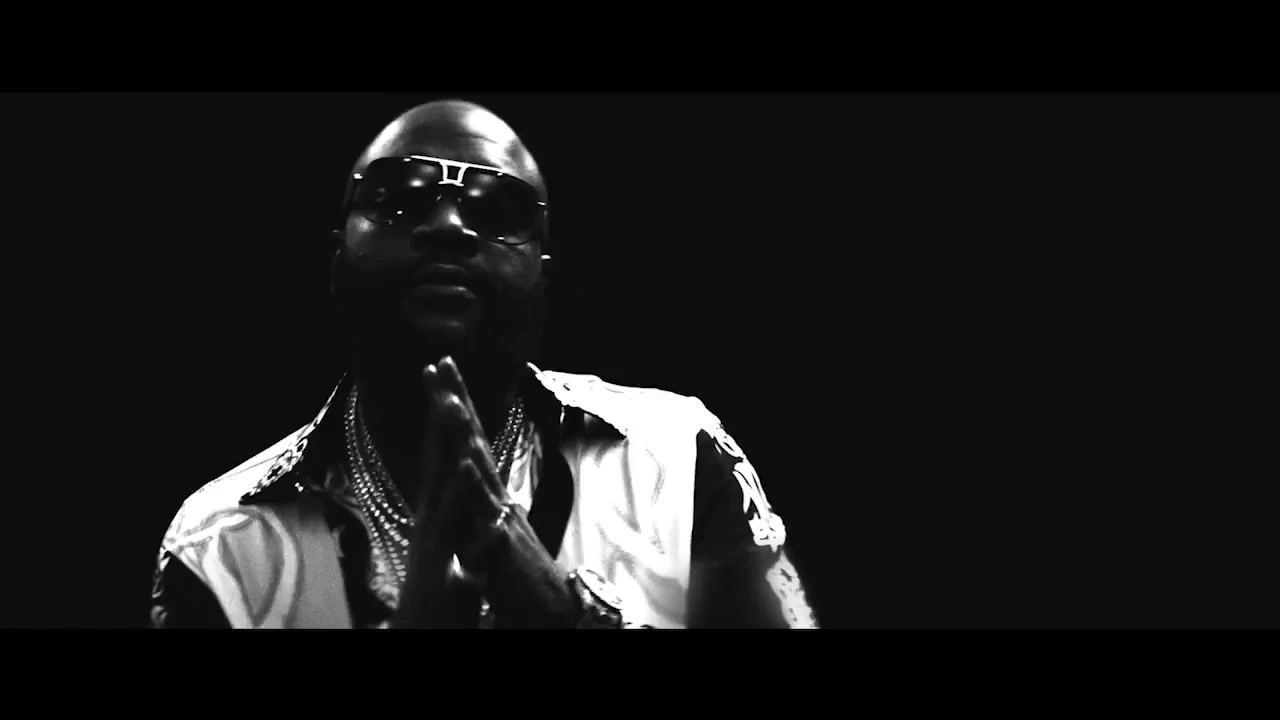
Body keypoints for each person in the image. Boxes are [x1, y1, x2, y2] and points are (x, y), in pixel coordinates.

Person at [149, 99, 817, 629]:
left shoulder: (679, 458)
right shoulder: (219, 547)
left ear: (544, 273)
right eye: (399, 198)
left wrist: (564, 616)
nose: (448, 225)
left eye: (498, 209)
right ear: (335, 258)